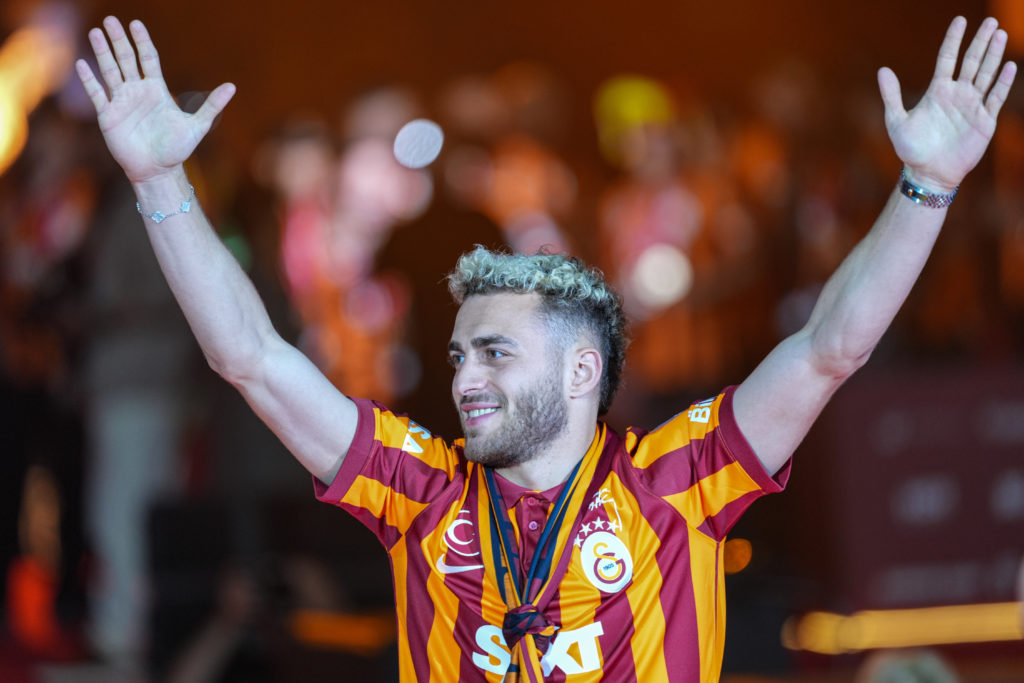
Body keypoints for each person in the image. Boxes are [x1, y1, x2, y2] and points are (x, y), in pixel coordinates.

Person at [75, 15, 1015, 682]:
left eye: (493, 353)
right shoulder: (420, 492)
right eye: (457, 357)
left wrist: (925, 186)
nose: (463, 378)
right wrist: (162, 179)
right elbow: (251, 355)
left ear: (581, 370)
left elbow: (827, 349)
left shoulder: (675, 484)